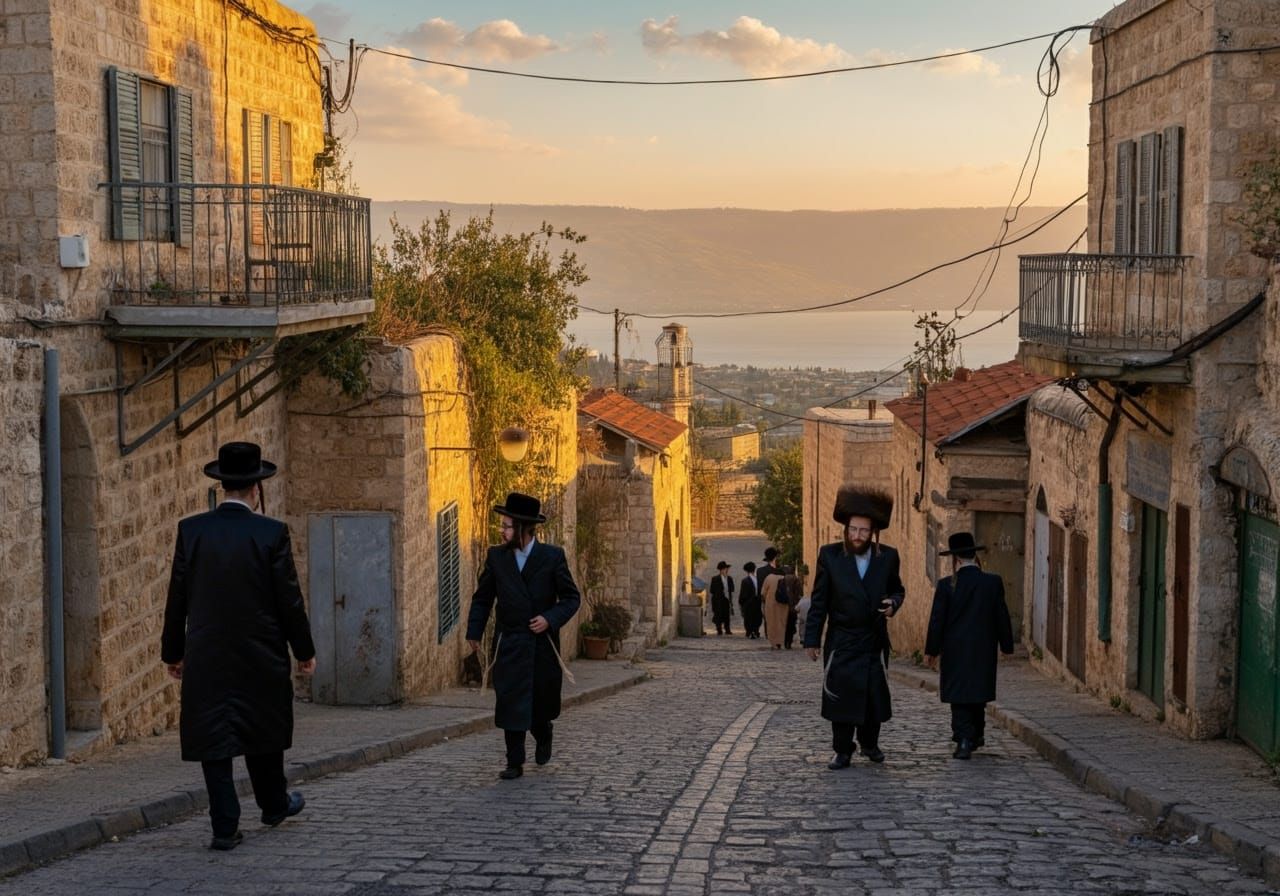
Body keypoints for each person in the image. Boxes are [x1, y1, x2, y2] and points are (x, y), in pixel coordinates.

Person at [161, 441, 316, 851]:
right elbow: (289, 601)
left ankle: (224, 826)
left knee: (215, 737)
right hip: (259, 654)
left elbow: (177, 598)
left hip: (208, 653)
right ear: (257, 488)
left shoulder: (191, 531)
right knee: (262, 730)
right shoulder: (271, 534)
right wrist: (304, 650)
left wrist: (173, 653)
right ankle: (273, 804)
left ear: (222, 484)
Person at [467, 492, 581, 780]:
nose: (502, 531)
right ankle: (514, 761)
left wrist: (549, 619)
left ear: (523, 528)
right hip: (510, 641)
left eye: (506, 526)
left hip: (541, 644)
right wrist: (474, 633)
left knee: (539, 704)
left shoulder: (552, 557)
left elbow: (570, 598)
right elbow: (483, 598)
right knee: (509, 700)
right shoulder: (496, 557)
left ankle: (543, 734)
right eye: (502, 526)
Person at [804, 485, 904, 768]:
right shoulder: (830, 556)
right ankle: (842, 749)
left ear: (873, 533)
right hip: (842, 641)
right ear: (845, 529)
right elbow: (819, 601)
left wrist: (894, 604)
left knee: (873, 697)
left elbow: (898, 590)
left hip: (873, 640)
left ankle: (870, 744)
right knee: (841, 697)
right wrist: (812, 639)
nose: (857, 536)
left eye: (863, 531)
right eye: (853, 530)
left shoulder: (888, 557)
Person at [925, 532, 1015, 760]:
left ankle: (964, 739)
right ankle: (975, 735)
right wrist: (1006, 646)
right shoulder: (992, 582)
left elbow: (937, 621)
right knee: (977, 692)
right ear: (975, 556)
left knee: (960, 696)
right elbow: (1001, 617)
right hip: (982, 649)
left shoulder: (947, 586)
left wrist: (932, 651)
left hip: (955, 651)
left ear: (955, 560)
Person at [761, 564, 789, 651]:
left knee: (771, 624)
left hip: (771, 605)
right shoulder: (784, 578)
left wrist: (764, 601)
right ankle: (780, 642)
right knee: (782, 623)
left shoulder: (769, 577)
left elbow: (763, 592)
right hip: (783, 605)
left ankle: (773, 643)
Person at [708, 560, 735, 635]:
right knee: (718, 614)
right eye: (724, 569)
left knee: (727, 615)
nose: (726, 570)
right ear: (721, 570)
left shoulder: (729, 579)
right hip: (718, 599)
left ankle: (727, 629)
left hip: (726, 599)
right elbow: (712, 590)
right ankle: (719, 629)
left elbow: (732, 589)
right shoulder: (715, 579)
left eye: (726, 569)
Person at [739, 561, 762, 639]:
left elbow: (742, 594)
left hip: (750, 602)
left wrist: (741, 603)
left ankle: (752, 631)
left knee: (750, 617)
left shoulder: (745, 580)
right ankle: (753, 631)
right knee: (754, 617)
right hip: (753, 602)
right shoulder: (757, 579)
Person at [782, 565, 803, 650]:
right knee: (791, 624)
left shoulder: (782, 579)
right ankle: (789, 642)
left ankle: (784, 640)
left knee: (784, 624)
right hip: (793, 606)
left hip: (783, 605)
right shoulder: (796, 579)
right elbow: (800, 593)